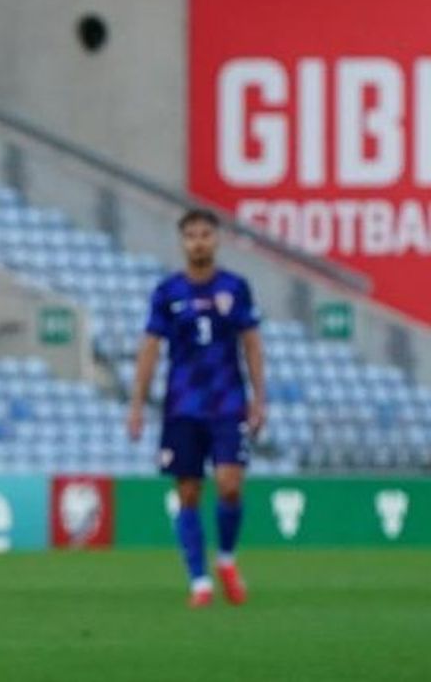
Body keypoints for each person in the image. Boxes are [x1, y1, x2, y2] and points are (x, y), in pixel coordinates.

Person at [127, 208, 266, 608]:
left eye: (206, 233)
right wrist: (137, 404)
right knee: (187, 493)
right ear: (182, 242)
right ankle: (200, 582)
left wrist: (259, 398)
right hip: (183, 407)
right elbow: (150, 348)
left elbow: (252, 343)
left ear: (216, 239)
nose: (199, 241)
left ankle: (225, 559)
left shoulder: (235, 287)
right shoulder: (168, 292)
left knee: (229, 483)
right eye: (191, 235)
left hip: (227, 403)